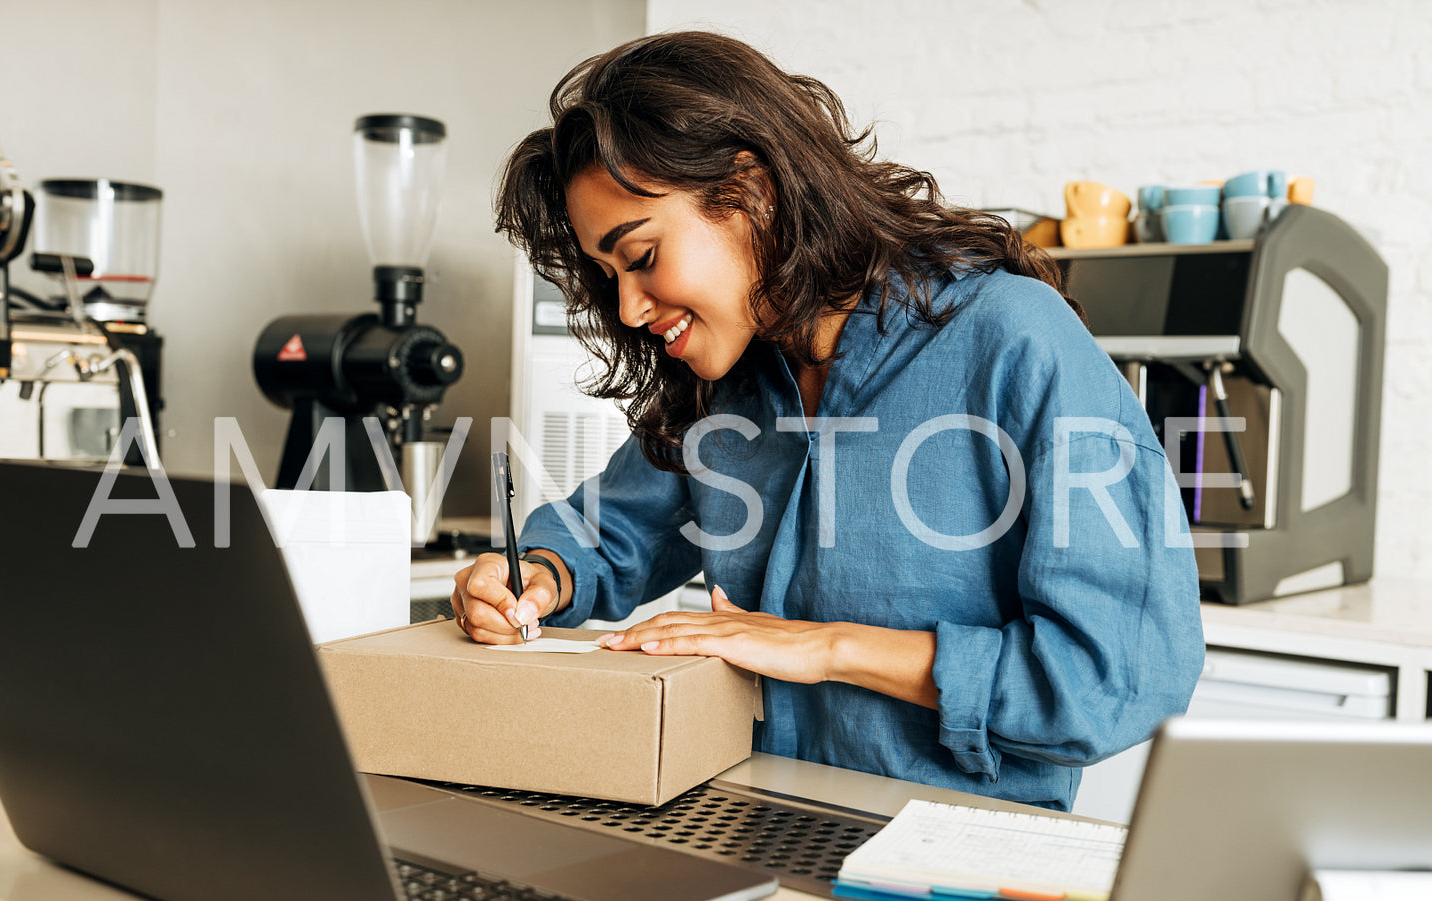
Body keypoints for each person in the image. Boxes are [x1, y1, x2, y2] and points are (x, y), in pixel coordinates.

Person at [453, 30, 1204, 810]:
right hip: (747, 825)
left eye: (640, 256)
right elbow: (614, 534)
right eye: (606, 277)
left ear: (751, 191)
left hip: (953, 865)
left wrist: (829, 647)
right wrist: (534, 577)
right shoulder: (724, 381)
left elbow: (1123, 676)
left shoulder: (1013, 338)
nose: (628, 308)